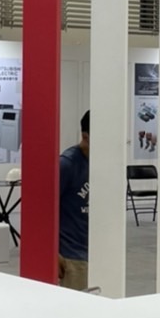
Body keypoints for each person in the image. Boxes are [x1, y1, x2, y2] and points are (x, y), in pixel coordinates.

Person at [58, 110, 89, 290]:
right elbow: (45, 210)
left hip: (97, 252)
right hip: (73, 257)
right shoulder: (67, 164)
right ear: (85, 136)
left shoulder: (103, 163)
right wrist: (53, 252)